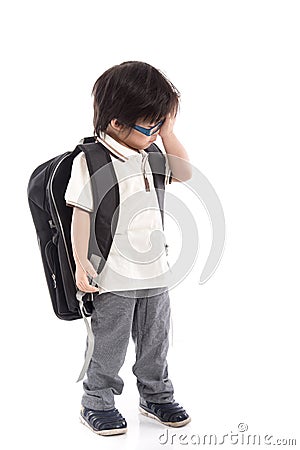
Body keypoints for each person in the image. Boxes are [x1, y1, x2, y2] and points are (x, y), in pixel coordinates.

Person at [64, 61, 193, 436]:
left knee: (156, 340)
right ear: (117, 122)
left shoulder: (150, 155)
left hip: (155, 270)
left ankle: (155, 394)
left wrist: (166, 132)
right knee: (109, 343)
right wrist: (81, 262)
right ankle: (97, 401)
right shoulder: (91, 160)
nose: (153, 134)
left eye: (158, 125)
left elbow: (184, 173)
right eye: (148, 126)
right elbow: (82, 213)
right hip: (114, 274)